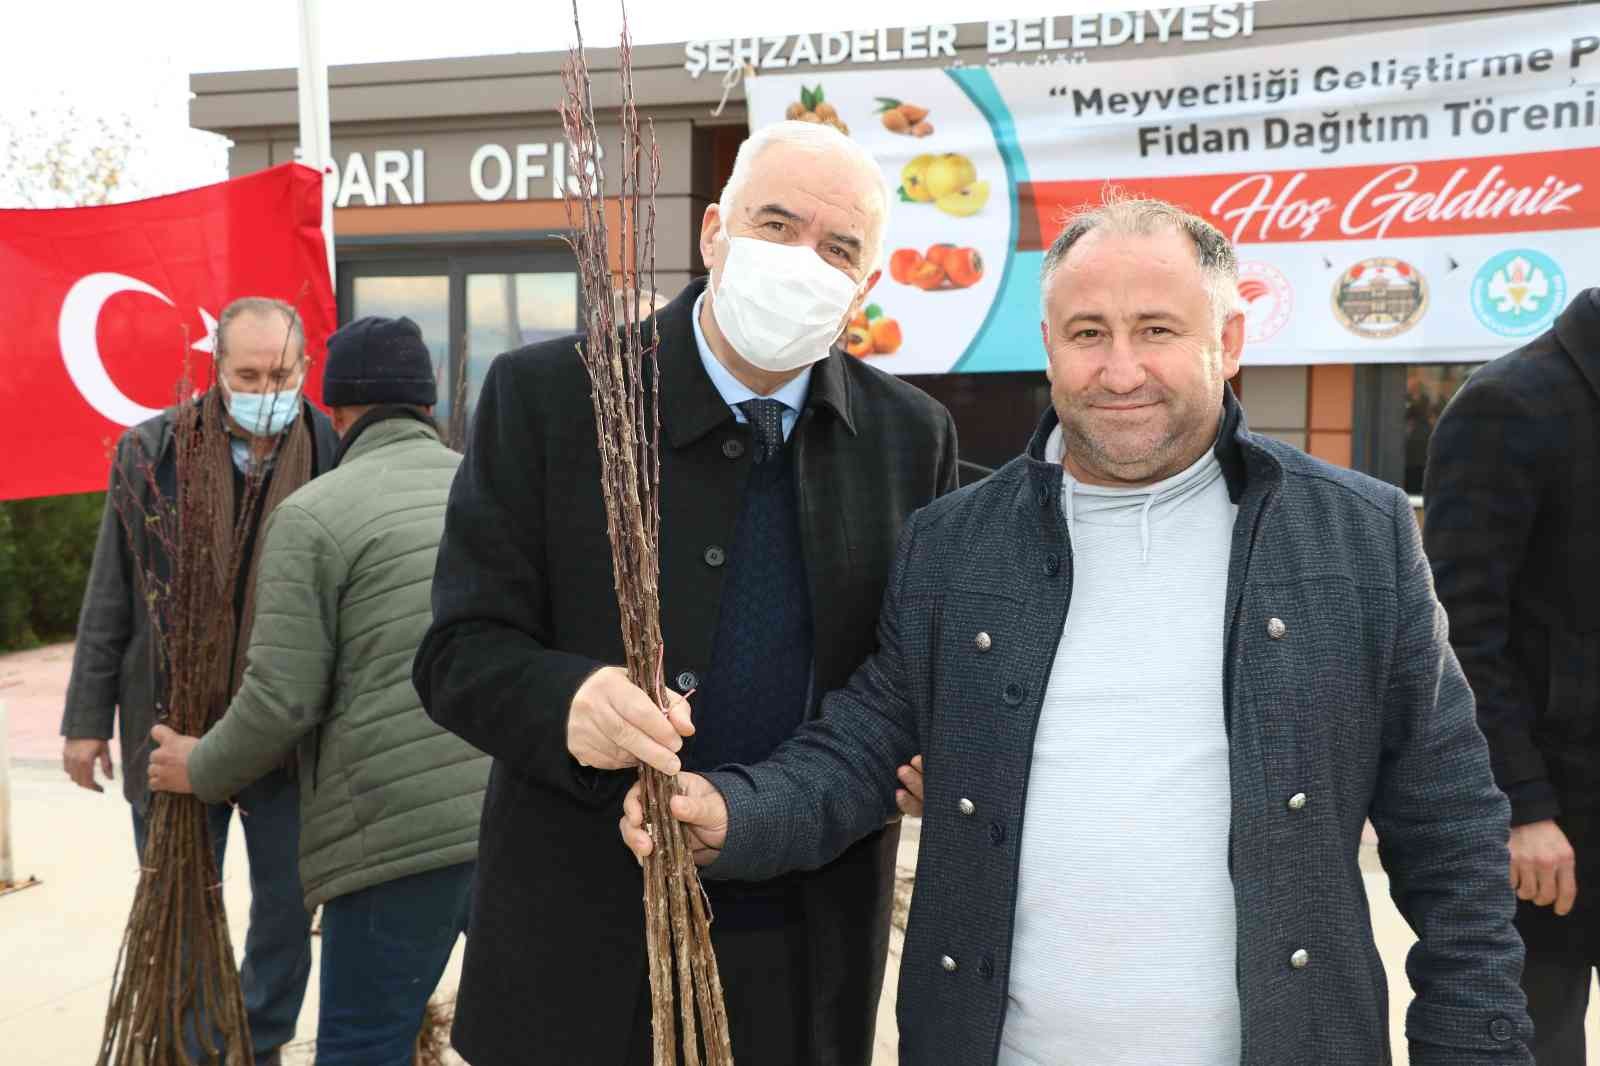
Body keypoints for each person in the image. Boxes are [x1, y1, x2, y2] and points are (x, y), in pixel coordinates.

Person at [621, 195, 1534, 1066]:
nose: (1120, 371)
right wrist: (736, 813)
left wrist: (1475, 1044)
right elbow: (864, 744)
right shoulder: (954, 544)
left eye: (1157, 331)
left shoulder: (1358, 537)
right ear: (1049, 346)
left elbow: (1450, 826)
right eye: (1088, 333)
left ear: (1228, 342)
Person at [412, 119, 959, 1066]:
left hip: (807, 951)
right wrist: (568, 701)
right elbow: (458, 652)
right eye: (775, 225)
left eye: (838, 249)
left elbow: (910, 681)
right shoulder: (552, 398)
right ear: (713, 233)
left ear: (866, 285)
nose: (802, 261)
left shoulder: (910, 438)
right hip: (577, 943)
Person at [145, 314, 489, 1066]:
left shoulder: (312, 514)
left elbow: (283, 699)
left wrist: (200, 766)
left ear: (335, 413)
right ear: (428, 404)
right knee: (527, 1034)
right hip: (507, 819)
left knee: (364, 1044)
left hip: (392, 836)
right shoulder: (489, 489)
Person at [61, 296, 332, 1066]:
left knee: (287, 911)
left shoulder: (329, 450)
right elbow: (111, 593)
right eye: (247, 375)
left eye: (280, 374)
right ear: (216, 370)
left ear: (305, 368)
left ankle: (258, 1040)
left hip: (284, 729)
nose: (265, 389)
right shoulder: (151, 452)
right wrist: (85, 722)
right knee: (180, 905)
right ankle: (198, 1046)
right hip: (169, 721)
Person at [1424, 286, 1600, 1065]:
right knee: (1537, 1047)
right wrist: (1521, 807)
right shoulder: (1508, 403)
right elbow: (1458, 631)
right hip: (1552, 830)